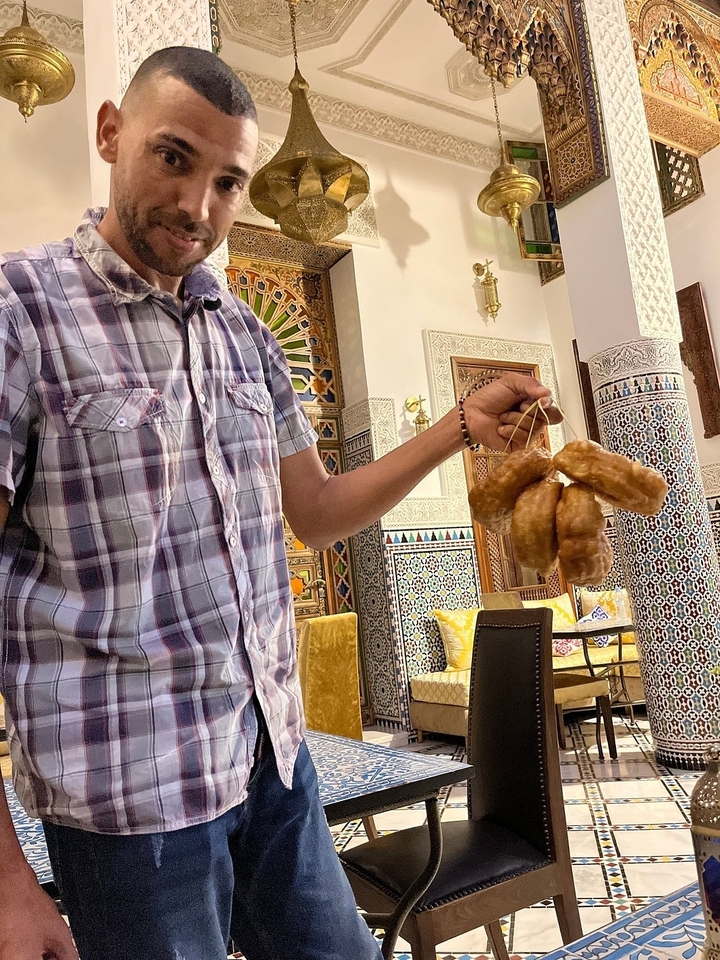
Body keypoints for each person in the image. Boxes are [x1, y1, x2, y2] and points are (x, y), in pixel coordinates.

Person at [0, 46, 561, 960]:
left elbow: (318, 509)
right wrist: (4, 884)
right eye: (173, 157)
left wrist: (461, 425)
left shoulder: (246, 336)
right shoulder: (20, 311)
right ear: (109, 133)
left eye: (228, 182)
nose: (198, 206)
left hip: (273, 761)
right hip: (130, 806)